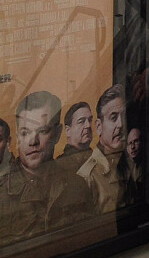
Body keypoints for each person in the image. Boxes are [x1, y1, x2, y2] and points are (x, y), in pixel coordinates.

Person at [0, 91, 92, 242]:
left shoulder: (76, 185)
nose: (32, 141)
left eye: (42, 131)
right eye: (25, 133)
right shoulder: (2, 194)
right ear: (17, 137)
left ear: (58, 133)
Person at [77, 85, 134, 213]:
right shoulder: (87, 177)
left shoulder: (128, 162)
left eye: (123, 117)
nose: (120, 124)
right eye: (113, 118)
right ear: (98, 126)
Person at [57, 101, 93, 173]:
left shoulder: (98, 158)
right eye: (81, 121)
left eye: (90, 120)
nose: (88, 125)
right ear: (68, 131)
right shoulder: (59, 165)